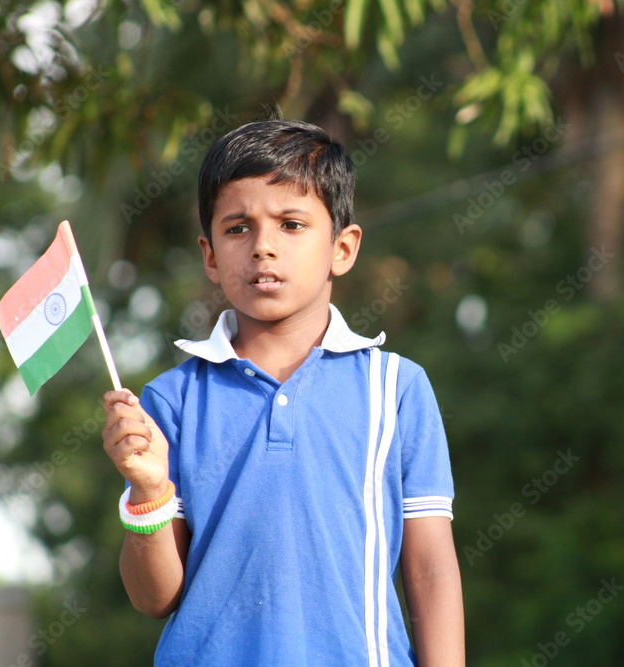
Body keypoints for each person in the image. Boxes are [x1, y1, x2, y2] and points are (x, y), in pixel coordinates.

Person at [101, 118, 464, 666]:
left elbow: (430, 569)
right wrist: (148, 490)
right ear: (210, 256)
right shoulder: (169, 400)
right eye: (238, 228)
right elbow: (154, 598)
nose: (263, 247)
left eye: (292, 224)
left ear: (343, 248)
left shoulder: (397, 387)